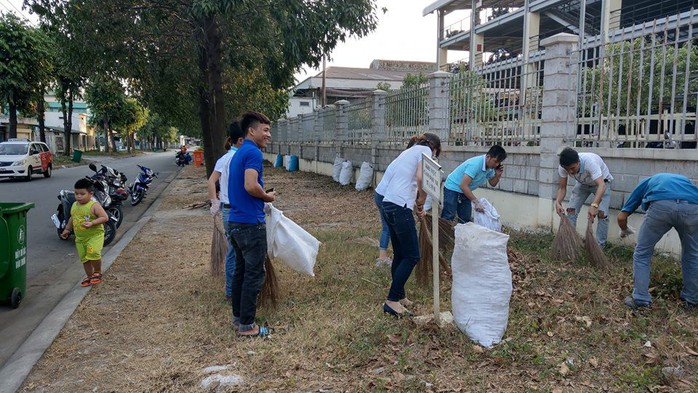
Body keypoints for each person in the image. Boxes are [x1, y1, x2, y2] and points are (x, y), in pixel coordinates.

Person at [378, 133, 441, 317]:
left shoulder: (409, 151)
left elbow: (405, 181)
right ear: (435, 148)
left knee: (400, 254)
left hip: (389, 203)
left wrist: (415, 203)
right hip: (399, 207)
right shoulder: (426, 151)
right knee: (413, 255)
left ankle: (400, 295)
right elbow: (421, 177)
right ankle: (391, 300)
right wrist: (422, 199)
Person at [227, 111, 276, 337]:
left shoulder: (239, 152)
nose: (268, 134)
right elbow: (250, 185)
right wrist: (267, 197)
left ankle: (239, 319)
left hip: (236, 222)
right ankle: (248, 326)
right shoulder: (253, 152)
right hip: (249, 224)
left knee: (241, 271)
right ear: (251, 131)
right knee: (253, 275)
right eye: (265, 130)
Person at [617, 173, 698, 310]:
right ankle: (691, 300)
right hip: (693, 207)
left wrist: (624, 230)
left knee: (642, 253)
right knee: (692, 255)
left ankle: (641, 299)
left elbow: (621, 217)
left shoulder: (646, 182)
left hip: (661, 206)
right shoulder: (686, 183)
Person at [207, 121, 245, 302]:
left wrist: (215, 202)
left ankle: (231, 291)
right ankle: (233, 290)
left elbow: (210, 181)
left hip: (227, 210)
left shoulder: (224, 159)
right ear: (240, 140)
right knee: (237, 252)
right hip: (236, 209)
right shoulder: (236, 158)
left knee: (233, 251)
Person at [555, 147, 613, 248]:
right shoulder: (563, 167)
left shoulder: (589, 162)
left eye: (572, 168)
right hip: (582, 184)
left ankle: (600, 247)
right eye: (567, 169)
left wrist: (594, 205)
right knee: (571, 211)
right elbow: (562, 188)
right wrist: (558, 202)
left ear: (578, 162)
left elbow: (601, 185)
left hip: (602, 183)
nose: (570, 172)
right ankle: (571, 245)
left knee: (602, 214)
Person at [60, 178, 109, 287]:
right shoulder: (74, 205)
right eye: (76, 193)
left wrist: (92, 223)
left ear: (90, 194)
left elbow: (104, 217)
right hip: (80, 238)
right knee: (84, 258)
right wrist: (67, 229)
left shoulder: (94, 205)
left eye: (82, 194)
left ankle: (97, 271)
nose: (78, 196)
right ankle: (89, 275)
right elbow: (72, 218)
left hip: (94, 235)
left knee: (94, 252)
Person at [441, 145, 506, 224]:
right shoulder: (475, 164)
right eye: (495, 161)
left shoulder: (490, 168)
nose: (497, 165)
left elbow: (492, 183)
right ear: (488, 157)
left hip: (466, 190)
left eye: (499, 162)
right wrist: (476, 202)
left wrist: (497, 175)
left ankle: (462, 236)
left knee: (465, 219)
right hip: (453, 188)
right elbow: (463, 185)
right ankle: (442, 235)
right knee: (449, 215)